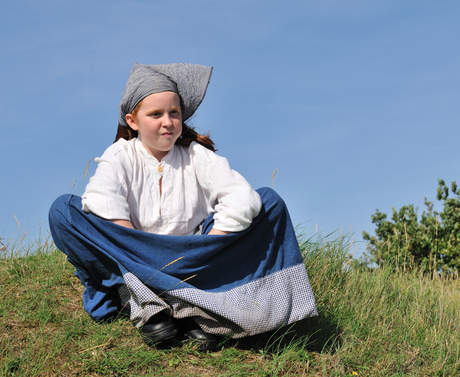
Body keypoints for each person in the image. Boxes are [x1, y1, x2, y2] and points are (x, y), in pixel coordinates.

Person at [49, 63, 317, 352]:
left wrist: (210, 246)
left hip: (196, 255)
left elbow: (242, 197)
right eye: (156, 114)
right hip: (132, 251)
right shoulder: (121, 155)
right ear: (133, 121)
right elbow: (103, 198)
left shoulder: (196, 155)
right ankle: (160, 299)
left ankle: (183, 299)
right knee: (63, 210)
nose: (167, 122)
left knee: (269, 201)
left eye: (173, 113)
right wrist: (135, 249)